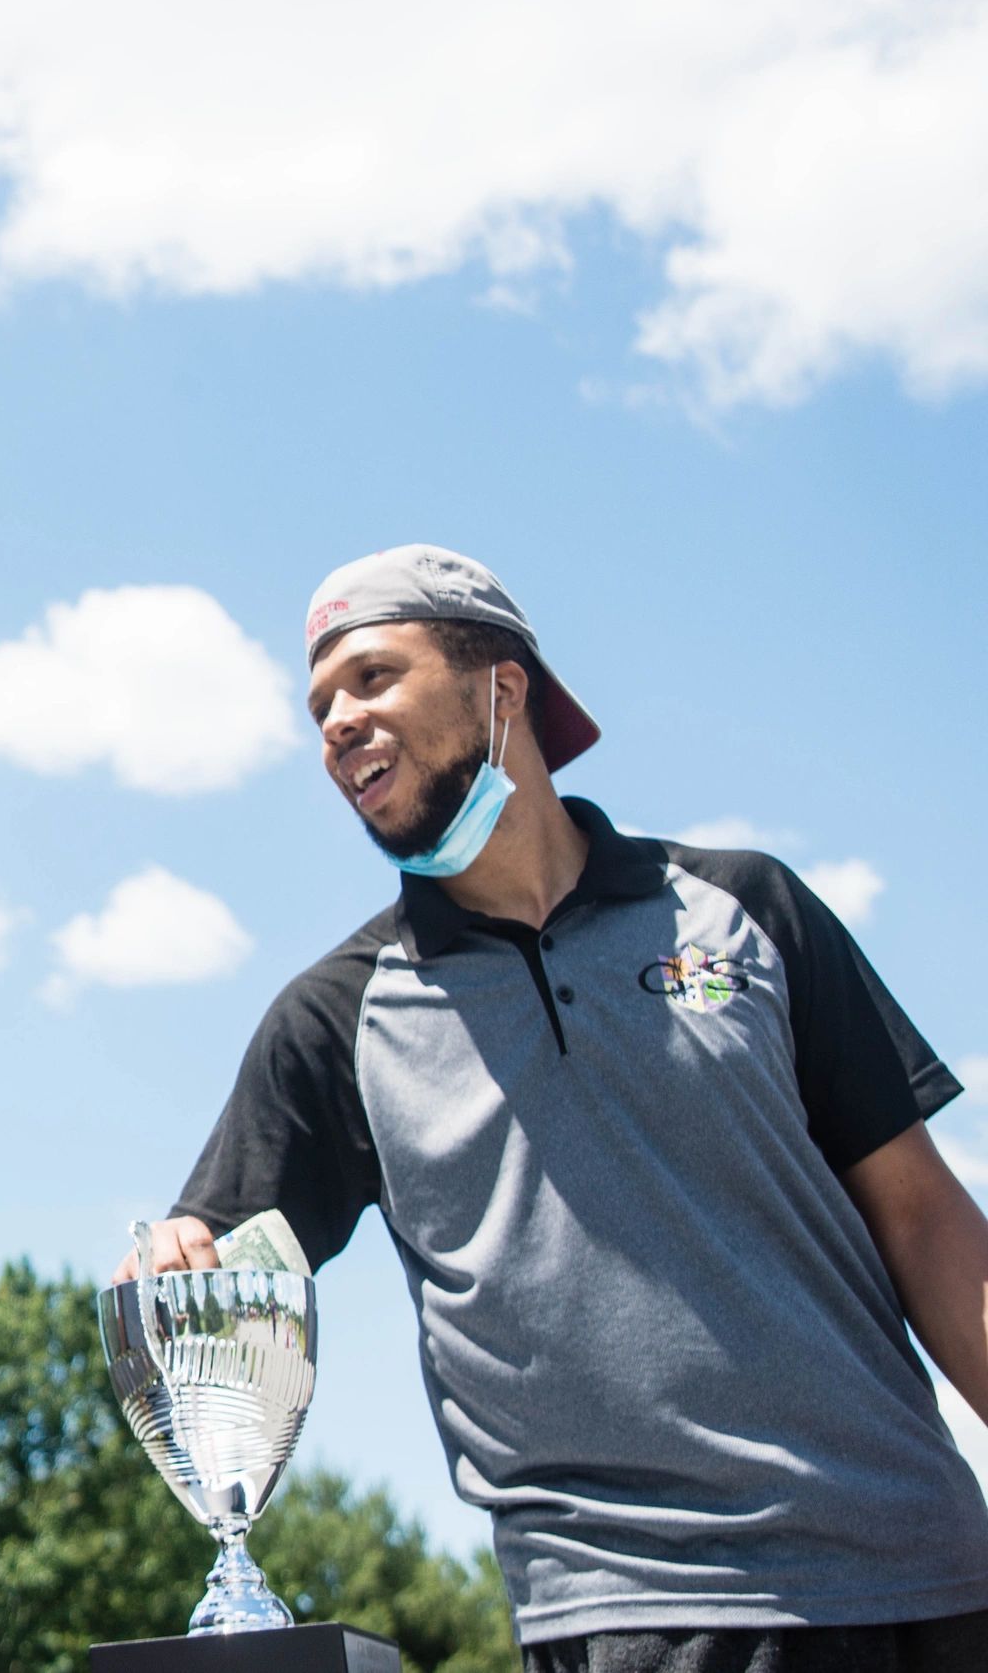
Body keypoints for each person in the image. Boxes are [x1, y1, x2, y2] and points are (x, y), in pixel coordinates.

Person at [123, 545, 988, 1672]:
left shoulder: (744, 910)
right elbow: (216, 1265)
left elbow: (923, 1220)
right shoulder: (335, 1020)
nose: (336, 721)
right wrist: (176, 1260)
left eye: (374, 677)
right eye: (320, 705)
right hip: (636, 1614)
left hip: (931, 1571)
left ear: (502, 686)